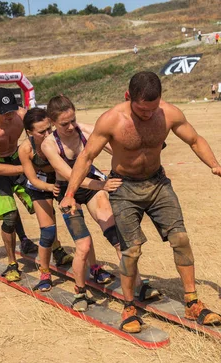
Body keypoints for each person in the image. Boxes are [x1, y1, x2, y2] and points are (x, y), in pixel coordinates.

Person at [60, 72, 221, 334]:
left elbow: (194, 140)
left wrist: (215, 165)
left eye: (153, 108)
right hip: (124, 187)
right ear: (128, 97)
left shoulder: (168, 113)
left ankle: (192, 302)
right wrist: (70, 193)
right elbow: (86, 157)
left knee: (181, 238)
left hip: (158, 184)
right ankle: (129, 306)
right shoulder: (111, 120)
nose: (148, 115)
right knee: (131, 250)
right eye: (142, 110)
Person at [42, 94, 159, 313]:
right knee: (83, 246)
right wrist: (102, 185)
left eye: (73, 120)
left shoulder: (85, 131)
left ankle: (139, 285)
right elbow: (69, 175)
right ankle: (80, 292)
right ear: (52, 122)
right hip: (70, 192)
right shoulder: (49, 144)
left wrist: (145, 153)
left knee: (117, 238)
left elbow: (119, 150)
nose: (70, 127)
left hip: (93, 187)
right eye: (64, 124)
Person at [0, 88, 39, 282]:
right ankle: (12, 263)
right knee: (10, 217)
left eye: (12, 110)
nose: (9, 116)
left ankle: (57, 248)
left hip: (17, 159)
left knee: (40, 203)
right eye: (4, 112)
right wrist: (27, 169)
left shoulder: (21, 116)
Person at [18, 108, 75, 291]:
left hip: (61, 180)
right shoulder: (26, 149)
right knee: (48, 231)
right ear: (29, 132)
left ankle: (93, 268)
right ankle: (44, 273)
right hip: (40, 186)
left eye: (49, 128)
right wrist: (50, 187)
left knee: (76, 224)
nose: (48, 134)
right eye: (41, 132)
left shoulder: (59, 138)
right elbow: (33, 179)